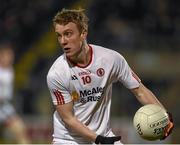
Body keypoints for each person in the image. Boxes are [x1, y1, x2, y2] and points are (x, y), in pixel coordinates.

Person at [46, 8, 174, 144]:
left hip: (103, 135)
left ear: (83, 33)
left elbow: (140, 91)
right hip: (69, 140)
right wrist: (98, 139)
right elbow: (68, 118)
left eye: (68, 34)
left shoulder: (111, 59)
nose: (63, 41)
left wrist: (165, 116)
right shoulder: (57, 73)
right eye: (59, 35)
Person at [0, 43, 30, 144]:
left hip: (4, 106)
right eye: (8, 55)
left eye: (11, 55)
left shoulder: (10, 70)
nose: (10, 58)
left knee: (20, 130)